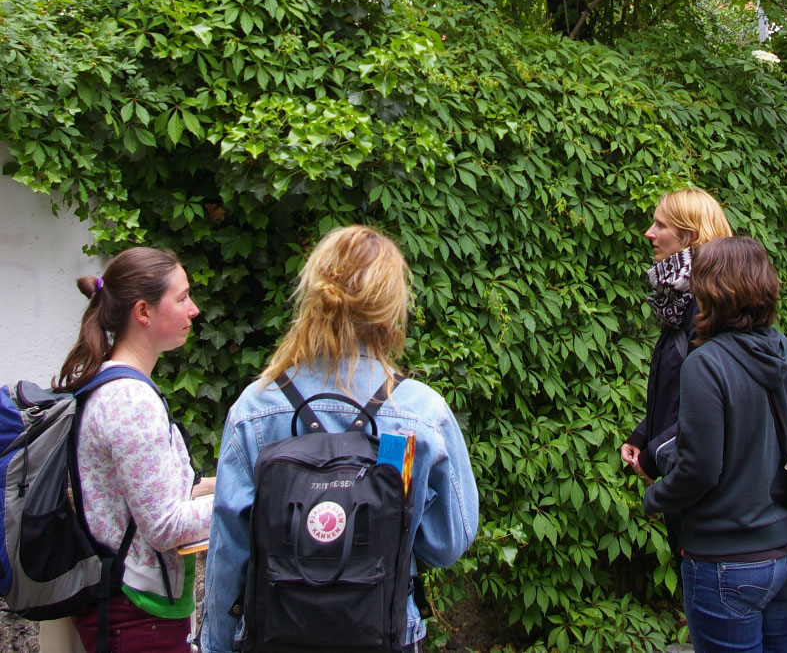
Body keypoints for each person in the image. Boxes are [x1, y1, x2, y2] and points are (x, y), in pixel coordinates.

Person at [200, 225, 479, 653]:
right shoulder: (421, 413)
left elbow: (228, 554)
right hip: (385, 636)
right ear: (391, 308)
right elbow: (446, 544)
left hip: (276, 637)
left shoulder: (254, 410)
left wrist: (216, 645)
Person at [643, 236, 787, 653]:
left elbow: (699, 469)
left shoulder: (706, 363)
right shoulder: (782, 350)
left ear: (711, 290)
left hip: (726, 563)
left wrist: (656, 496)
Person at [54, 247, 215, 652]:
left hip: (130, 614)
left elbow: (154, 498)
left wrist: (228, 483)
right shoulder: (129, 401)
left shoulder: (116, 386)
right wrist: (250, 499)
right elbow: (164, 527)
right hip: (136, 618)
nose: (193, 310)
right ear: (143, 312)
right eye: (181, 298)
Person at [621, 188, 733, 483]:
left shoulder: (712, 306)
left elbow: (712, 408)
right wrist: (645, 434)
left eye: (661, 225)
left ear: (691, 237)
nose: (649, 233)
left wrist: (656, 454)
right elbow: (681, 390)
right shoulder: (683, 299)